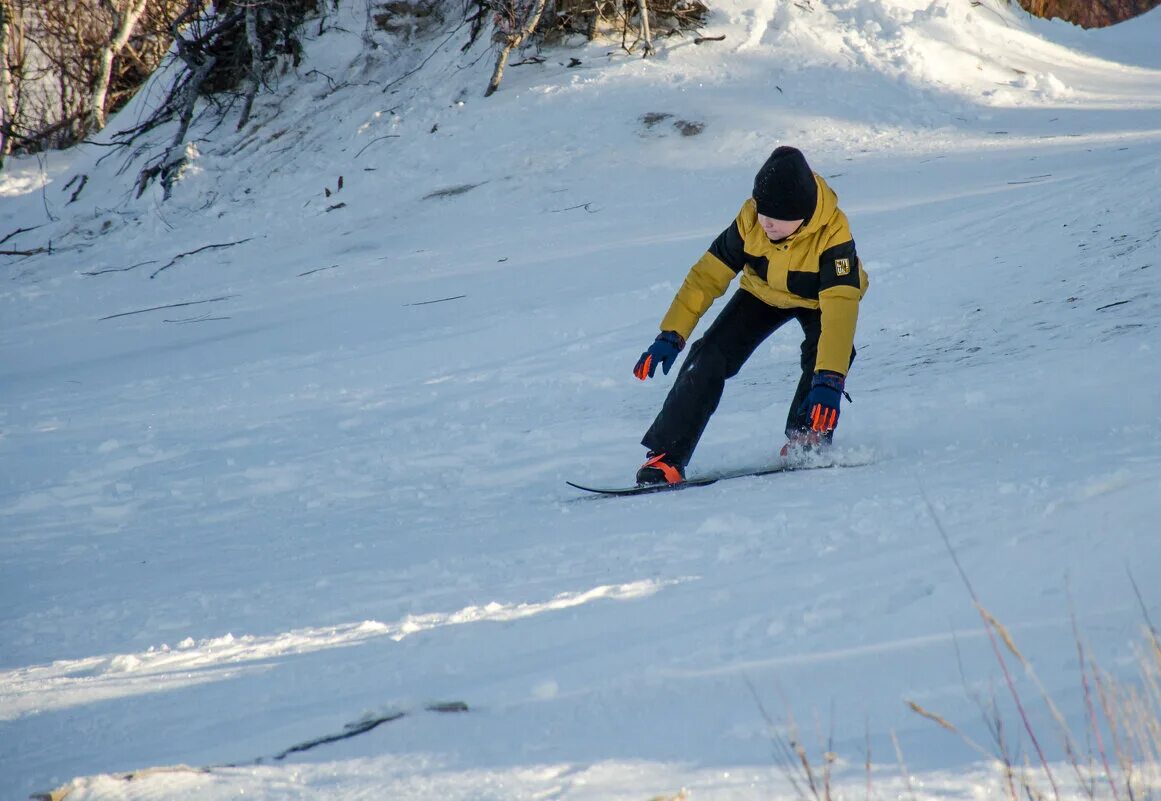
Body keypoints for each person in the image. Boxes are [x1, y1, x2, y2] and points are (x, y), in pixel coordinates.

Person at [632, 145, 869, 486]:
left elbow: (840, 307)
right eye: (763, 212)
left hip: (820, 300)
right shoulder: (750, 220)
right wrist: (672, 333)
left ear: (802, 214)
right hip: (763, 292)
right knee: (708, 356)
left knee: (827, 356)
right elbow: (706, 277)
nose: (766, 222)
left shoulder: (834, 233)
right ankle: (667, 456)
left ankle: (807, 438)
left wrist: (830, 378)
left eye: (777, 215)